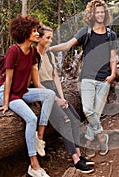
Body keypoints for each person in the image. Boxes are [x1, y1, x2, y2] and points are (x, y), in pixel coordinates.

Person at [49, 0, 117, 158]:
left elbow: (113, 57)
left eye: (102, 12)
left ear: (105, 14)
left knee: (96, 114)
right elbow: (67, 45)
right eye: (97, 12)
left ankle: (88, 143)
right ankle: (101, 137)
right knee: (88, 111)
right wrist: (48, 49)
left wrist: (113, 74)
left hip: (104, 79)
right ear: (92, 14)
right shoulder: (85, 32)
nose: (100, 14)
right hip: (87, 78)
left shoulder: (110, 34)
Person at [0, 15, 56, 177]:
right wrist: (5, 104)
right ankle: (34, 165)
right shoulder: (13, 51)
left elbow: (34, 81)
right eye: (34, 31)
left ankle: (39, 137)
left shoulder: (32, 51)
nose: (37, 34)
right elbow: (9, 79)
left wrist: (38, 96)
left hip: (22, 92)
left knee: (49, 94)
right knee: (31, 118)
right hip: (7, 93)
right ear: (25, 33)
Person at [36, 25, 94, 174]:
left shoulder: (49, 55)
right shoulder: (34, 56)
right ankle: (75, 160)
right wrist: (55, 99)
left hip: (54, 89)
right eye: (48, 38)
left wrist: (62, 97)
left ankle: (79, 155)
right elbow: (37, 84)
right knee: (65, 121)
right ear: (39, 38)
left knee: (74, 119)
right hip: (43, 92)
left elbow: (55, 77)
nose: (50, 41)